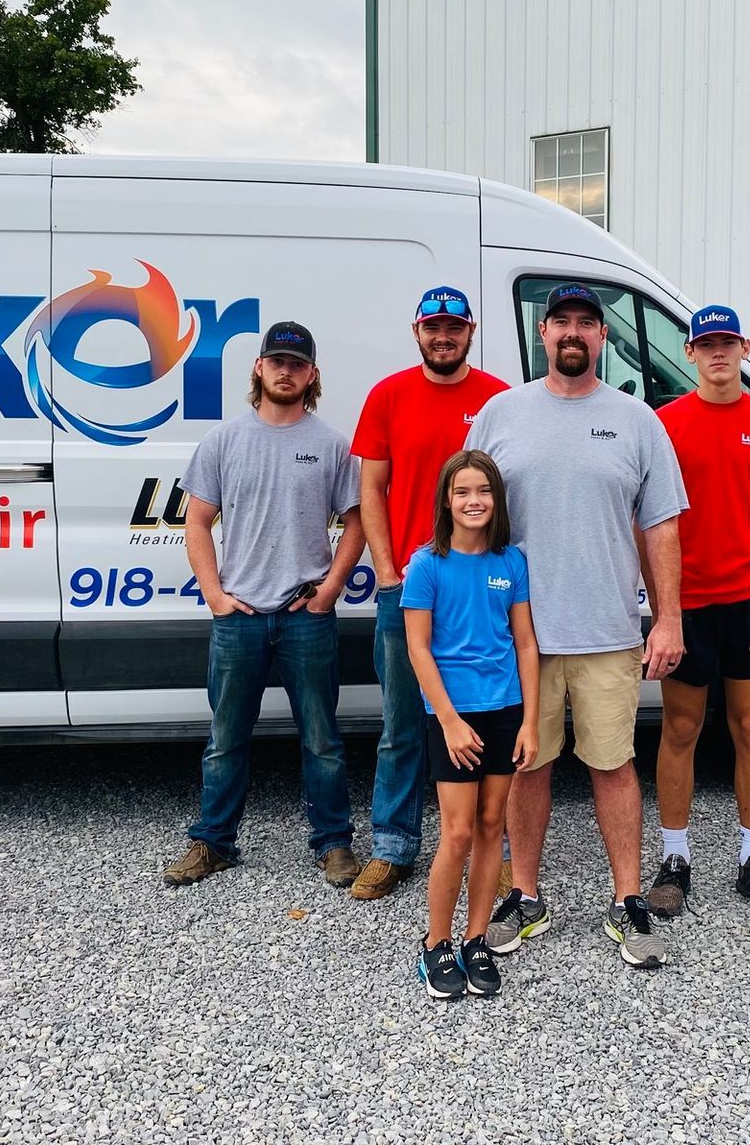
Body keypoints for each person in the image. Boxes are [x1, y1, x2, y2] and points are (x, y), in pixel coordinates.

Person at [466, 282, 688, 968]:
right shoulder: (500, 415)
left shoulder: (636, 420)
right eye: (559, 321)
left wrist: (668, 620)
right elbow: (469, 519)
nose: (572, 333)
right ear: (542, 335)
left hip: (607, 632)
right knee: (527, 765)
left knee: (614, 766)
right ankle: (526, 896)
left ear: (601, 337)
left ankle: (628, 900)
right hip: (520, 635)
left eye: (586, 323)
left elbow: (661, 527)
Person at [162, 321, 366, 890]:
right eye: (276, 360)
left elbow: (357, 523)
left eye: (297, 363)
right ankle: (214, 842)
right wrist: (215, 596)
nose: (285, 370)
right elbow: (196, 521)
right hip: (241, 618)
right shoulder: (224, 442)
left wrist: (329, 590)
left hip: (306, 617)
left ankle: (333, 844)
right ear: (258, 368)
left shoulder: (330, 445)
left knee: (322, 739)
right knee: (225, 737)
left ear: (312, 375)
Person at [645, 305, 750, 919]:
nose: (717, 353)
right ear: (688, 353)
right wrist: (663, 608)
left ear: (745, 347)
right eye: (704, 344)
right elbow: (648, 519)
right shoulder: (662, 425)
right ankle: (675, 856)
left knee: (749, 729)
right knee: (681, 730)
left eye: (727, 342)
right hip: (686, 603)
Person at [349, 287, 509, 902]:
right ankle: (392, 846)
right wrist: (387, 570)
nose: (444, 336)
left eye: (454, 326)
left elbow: (506, 490)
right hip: (411, 587)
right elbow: (371, 489)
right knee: (402, 722)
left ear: (471, 330)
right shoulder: (388, 396)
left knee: (489, 714)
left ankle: (488, 846)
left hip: (478, 587)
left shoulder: (498, 398)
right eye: (433, 326)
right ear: (416, 330)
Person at [404, 450, 541, 999]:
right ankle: (435, 944)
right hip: (452, 717)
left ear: (496, 500)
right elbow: (417, 647)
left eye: (482, 491)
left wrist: (531, 721)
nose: (473, 501)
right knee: (457, 832)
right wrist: (449, 720)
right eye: (462, 491)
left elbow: (526, 643)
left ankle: (475, 938)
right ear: (447, 500)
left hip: (505, 710)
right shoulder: (427, 564)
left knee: (492, 829)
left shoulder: (511, 563)